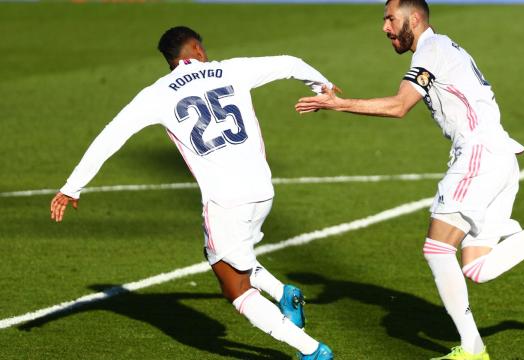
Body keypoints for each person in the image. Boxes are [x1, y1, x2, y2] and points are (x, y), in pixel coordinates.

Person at [295, 1, 524, 359]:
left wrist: (340, 104)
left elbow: (399, 106)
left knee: (437, 248)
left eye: (390, 19)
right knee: (477, 268)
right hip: (498, 156)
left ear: (413, 19)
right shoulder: (445, 47)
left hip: (478, 155)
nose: (385, 27)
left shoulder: (431, 50)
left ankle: (473, 350)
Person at [50, 26, 334, 360]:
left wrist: (73, 187)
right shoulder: (232, 69)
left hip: (225, 200)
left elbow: (112, 135)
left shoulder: (156, 94)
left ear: (170, 59)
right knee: (229, 254)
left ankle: (311, 350)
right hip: (262, 191)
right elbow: (289, 62)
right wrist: (321, 86)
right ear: (196, 48)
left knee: (234, 287)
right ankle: (283, 293)